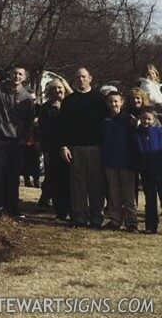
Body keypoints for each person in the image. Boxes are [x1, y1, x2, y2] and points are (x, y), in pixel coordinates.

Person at [60, 67, 108, 228]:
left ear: (90, 78)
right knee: (78, 184)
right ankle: (79, 216)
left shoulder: (100, 100)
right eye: (78, 77)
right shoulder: (68, 101)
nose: (81, 79)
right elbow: (63, 127)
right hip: (76, 148)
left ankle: (96, 217)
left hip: (96, 148)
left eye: (84, 77)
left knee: (96, 184)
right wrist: (64, 146)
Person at [0, 65, 35, 218]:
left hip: (17, 141)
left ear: (24, 77)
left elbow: (29, 121)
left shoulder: (27, 98)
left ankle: (13, 207)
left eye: (20, 74)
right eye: (14, 73)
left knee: (14, 175)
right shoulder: (0, 91)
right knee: (0, 174)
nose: (17, 76)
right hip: (2, 139)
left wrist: (25, 139)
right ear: (10, 74)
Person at [102, 91, 137, 232]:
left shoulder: (129, 119)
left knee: (128, 194)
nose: (113, 104)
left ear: (122, 102)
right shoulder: (104, 120)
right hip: (110, 161)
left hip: (126, 162)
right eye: (110, 101)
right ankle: (115, 220)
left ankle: (131, 222)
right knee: (113, 193)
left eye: (116, 101)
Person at [36, 79, 71, 219]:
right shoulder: (45, 108)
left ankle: (72, 209)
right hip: (53, 148)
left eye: (60, 88)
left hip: (71, 147)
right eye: (54, 88)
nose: (57, 90)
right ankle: (60, 211)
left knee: (71, 180)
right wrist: (44, 149)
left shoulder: (70, 104)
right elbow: (43, 130)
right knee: (55, 180)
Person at [134, 109, 162, 234]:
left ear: (154, 120)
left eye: (149, 119)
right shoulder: (136, 134)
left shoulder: (159, 132)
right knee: (150, 201)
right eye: (144, 118)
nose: (146, 121)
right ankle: (151, 226)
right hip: (146, 172)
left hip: (160, 171)